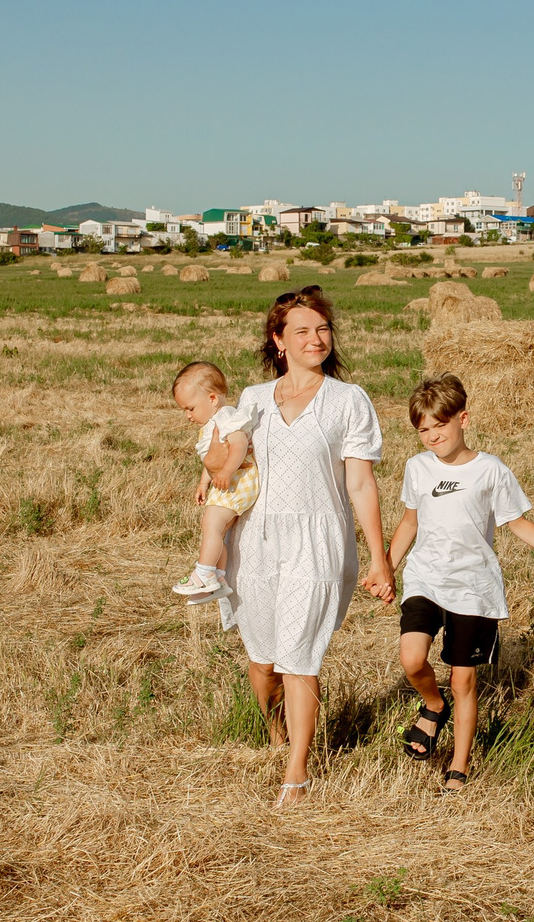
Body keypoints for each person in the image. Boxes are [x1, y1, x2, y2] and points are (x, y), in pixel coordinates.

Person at [210, 287, 393, 806]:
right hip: (255, 542)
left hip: (318, 542)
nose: (316, 339)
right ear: (279, 340)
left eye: (323, 329)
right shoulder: (251, 400)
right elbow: (225, 466)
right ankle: (276, 731)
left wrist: (379, 558)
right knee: (264, 663)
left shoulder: (349, 400)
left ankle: (297, 772)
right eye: (303, 331)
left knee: (299, 657)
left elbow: (361, 484)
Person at [386, 374, 534, 794]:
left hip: (473, 587)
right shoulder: (418, 467)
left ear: (463, 419)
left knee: (463, 681)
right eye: (424, 429)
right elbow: (410, 521)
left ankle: (459, 764)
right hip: (425, 578)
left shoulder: (490, 469)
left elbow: (515, 522)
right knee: (411, 659)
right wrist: (386, 566)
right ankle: (433, 705)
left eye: (440, 425)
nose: (433, 436)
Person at [168, 360, 260, 602]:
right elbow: (213, 459)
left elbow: (239, 444)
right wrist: (203, 482)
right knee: (217, 531)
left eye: (190, 408)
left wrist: (227, 472)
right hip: (227, 482)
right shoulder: (214, 422)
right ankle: (218, 578)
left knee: (211, 525)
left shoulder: (226, 416)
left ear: (212, 399)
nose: (188, 416)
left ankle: (204, 573)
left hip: (236, 482)